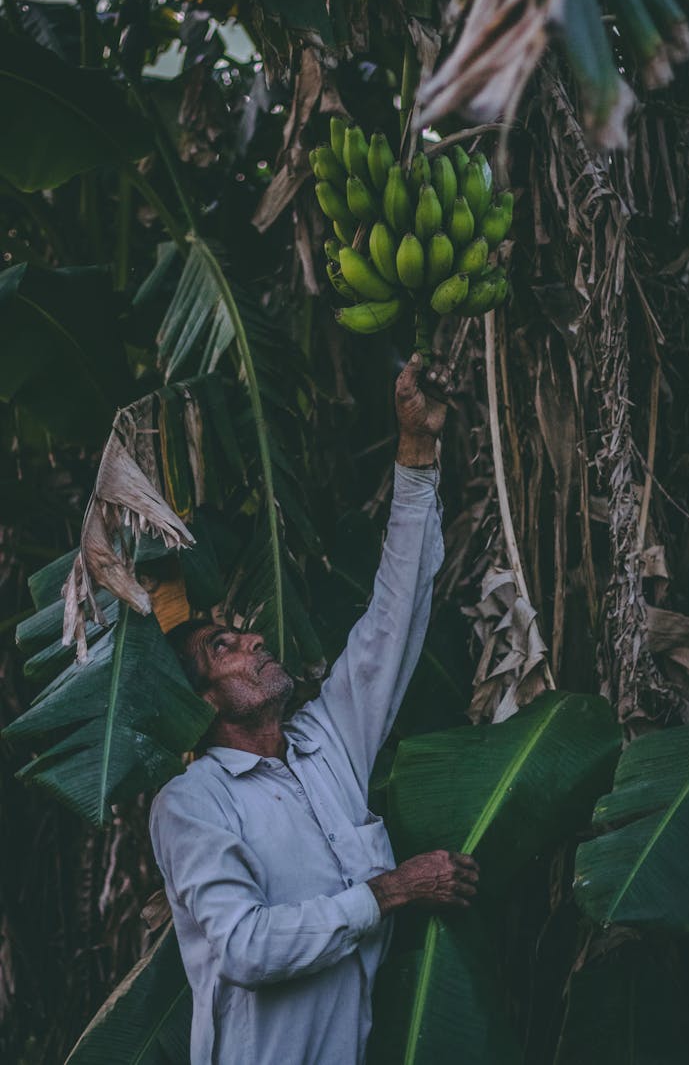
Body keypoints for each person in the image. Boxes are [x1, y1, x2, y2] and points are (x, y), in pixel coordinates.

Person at [149, 354, 480, 1065]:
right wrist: (389, 891)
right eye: (225, 647)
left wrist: (416, 452)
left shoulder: (326, 741)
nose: (254, 639)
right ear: (202, 702)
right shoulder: (192, 803)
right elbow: (243, 944)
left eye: (245, 631)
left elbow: (393, 617)